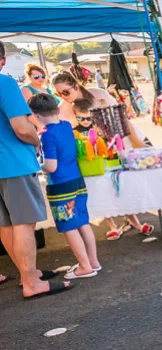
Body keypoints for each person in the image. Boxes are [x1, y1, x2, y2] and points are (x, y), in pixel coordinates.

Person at [0, 41, 73, 299]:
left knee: (6, 225)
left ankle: (26, 275)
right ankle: (31, 283)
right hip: (13, 163)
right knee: (23, 224)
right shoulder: (5, 83)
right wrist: (37, 138)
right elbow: (22, 128)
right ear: (3, 60)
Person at [51, 71, 154, 240]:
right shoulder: (63, 109)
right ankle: (112, 225)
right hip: (91, 154)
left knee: (120, 184)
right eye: (58, 93)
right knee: (100, 187)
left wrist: (137, 144)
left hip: (117, 145)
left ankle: (134, 221)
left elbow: (123, 120)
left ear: (76, 85)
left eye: (65, 92)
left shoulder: (98, 95)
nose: (63, 97)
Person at [30, 93, 101, 280]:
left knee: (69, 226)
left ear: (35, 115)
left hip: (60, 186)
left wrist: (36, 163)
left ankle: (85, 267)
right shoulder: (66, 126)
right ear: (57, 109)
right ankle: (92, 261)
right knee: (82, 222)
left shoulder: (46, 135)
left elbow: (51, 166)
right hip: (77, 181)